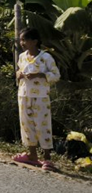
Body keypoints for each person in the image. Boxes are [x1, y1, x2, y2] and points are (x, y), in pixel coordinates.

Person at [12, 27, 61, 171]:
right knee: (27, 125)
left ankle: (47, 158)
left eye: (25, 40)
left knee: (42, 125)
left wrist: (40, 75)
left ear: (35, 41)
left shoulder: (46, 58)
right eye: (21, 40)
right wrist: (19, 74)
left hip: (40, 97)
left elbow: (56, 75)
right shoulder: (22, 57)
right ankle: (32, 155)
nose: (22, 43)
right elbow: (18, 72)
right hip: (24, 94)